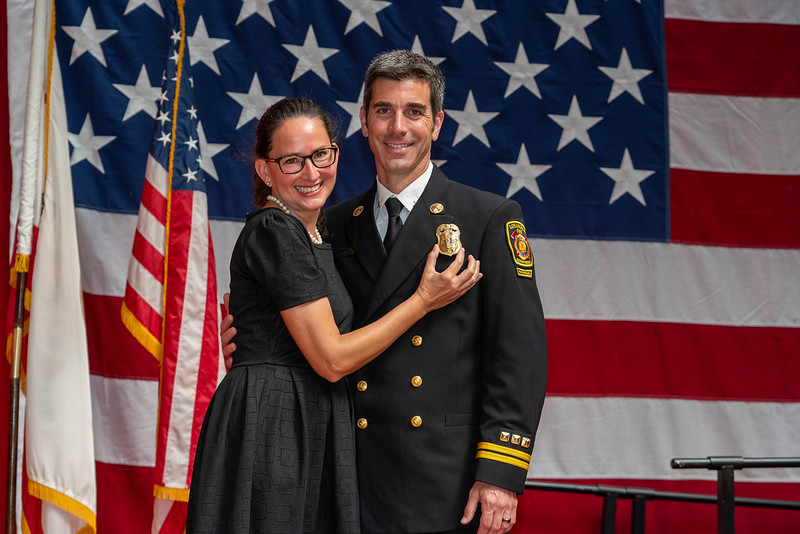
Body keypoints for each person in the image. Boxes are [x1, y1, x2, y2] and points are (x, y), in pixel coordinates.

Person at [223, 50, 547, 534]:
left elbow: (519, 357)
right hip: (340, 469)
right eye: (383, 111)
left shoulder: (487, 218)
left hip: (439, 478)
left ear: (437, 123)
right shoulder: (329, 225)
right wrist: (258, 346)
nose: (399, 127)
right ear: (364, 122)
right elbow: (312, 332)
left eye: (414, 112)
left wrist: (500, 474)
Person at [186, 97, 481, 534]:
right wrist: (423, 300)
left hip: (310, 415)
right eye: (291, 161)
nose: (311, 173)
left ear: (336, 153)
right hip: (276, 424)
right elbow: (332, 360)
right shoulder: (276, 230)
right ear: (265, 170)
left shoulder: (320, 231)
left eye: (321, 155)